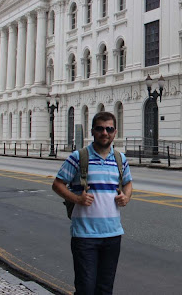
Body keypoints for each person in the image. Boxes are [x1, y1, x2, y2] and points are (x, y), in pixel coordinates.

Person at [52, 111, 133, 295]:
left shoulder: (120, 160)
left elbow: (128, 183)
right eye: (100, 128)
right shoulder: (78, 157)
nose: (105, 133)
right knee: (86, 289)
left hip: (112, 235)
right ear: (93, 131)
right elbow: (57, 184)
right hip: (85, 236)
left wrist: (126, 197)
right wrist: (77, 199)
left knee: (105, 289)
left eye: (109, 129)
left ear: (115, 132)